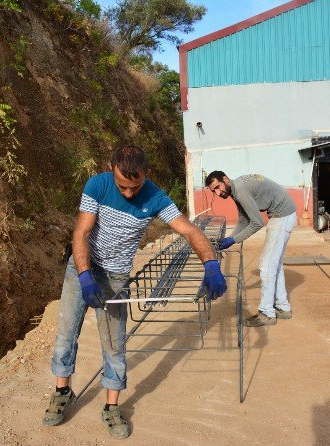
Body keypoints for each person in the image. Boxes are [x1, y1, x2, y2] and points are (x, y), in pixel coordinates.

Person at [43, 146, 227, 439]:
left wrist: (211, 264)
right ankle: (62, 392)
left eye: (135, 186)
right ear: (111, 168)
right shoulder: (98, 185)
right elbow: (81, 232)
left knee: (114, 344)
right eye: (123, 187)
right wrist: (84, 275)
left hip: (115, 278)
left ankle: (111, 407)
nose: (129, 193)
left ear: (146, 175)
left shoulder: (155, 197)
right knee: (66, 334)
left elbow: (190, 231)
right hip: (82, 271)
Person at [205, 171, 297, 327]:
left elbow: (257, 222)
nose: (218, 193)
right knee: (275, 264)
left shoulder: (240, 190)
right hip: (285, 213)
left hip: (282, 215)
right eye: (213, 191)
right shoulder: (235, 189)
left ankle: (267, 313)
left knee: (267, 266)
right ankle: (283, 307)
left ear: (226, 180)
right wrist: (228, 239)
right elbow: (243, 219)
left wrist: (233, 240)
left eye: (218, 187)